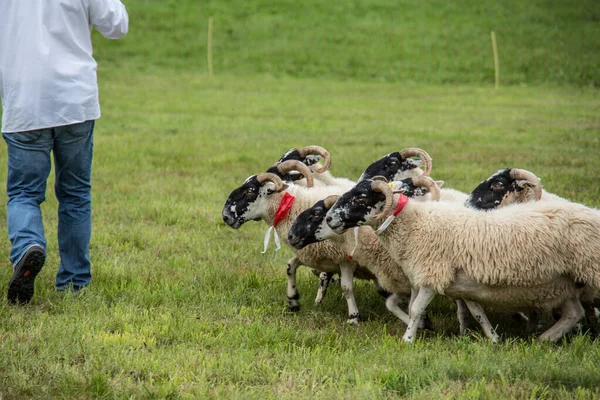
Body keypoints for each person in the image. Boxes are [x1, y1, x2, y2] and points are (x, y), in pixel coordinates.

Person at [0, 0, 129, 304]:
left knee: (23, 193)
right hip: (74, 98)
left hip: (24, 99)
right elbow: (116, 25)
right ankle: (73, 282)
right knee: (74, 193)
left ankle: (28, 247)